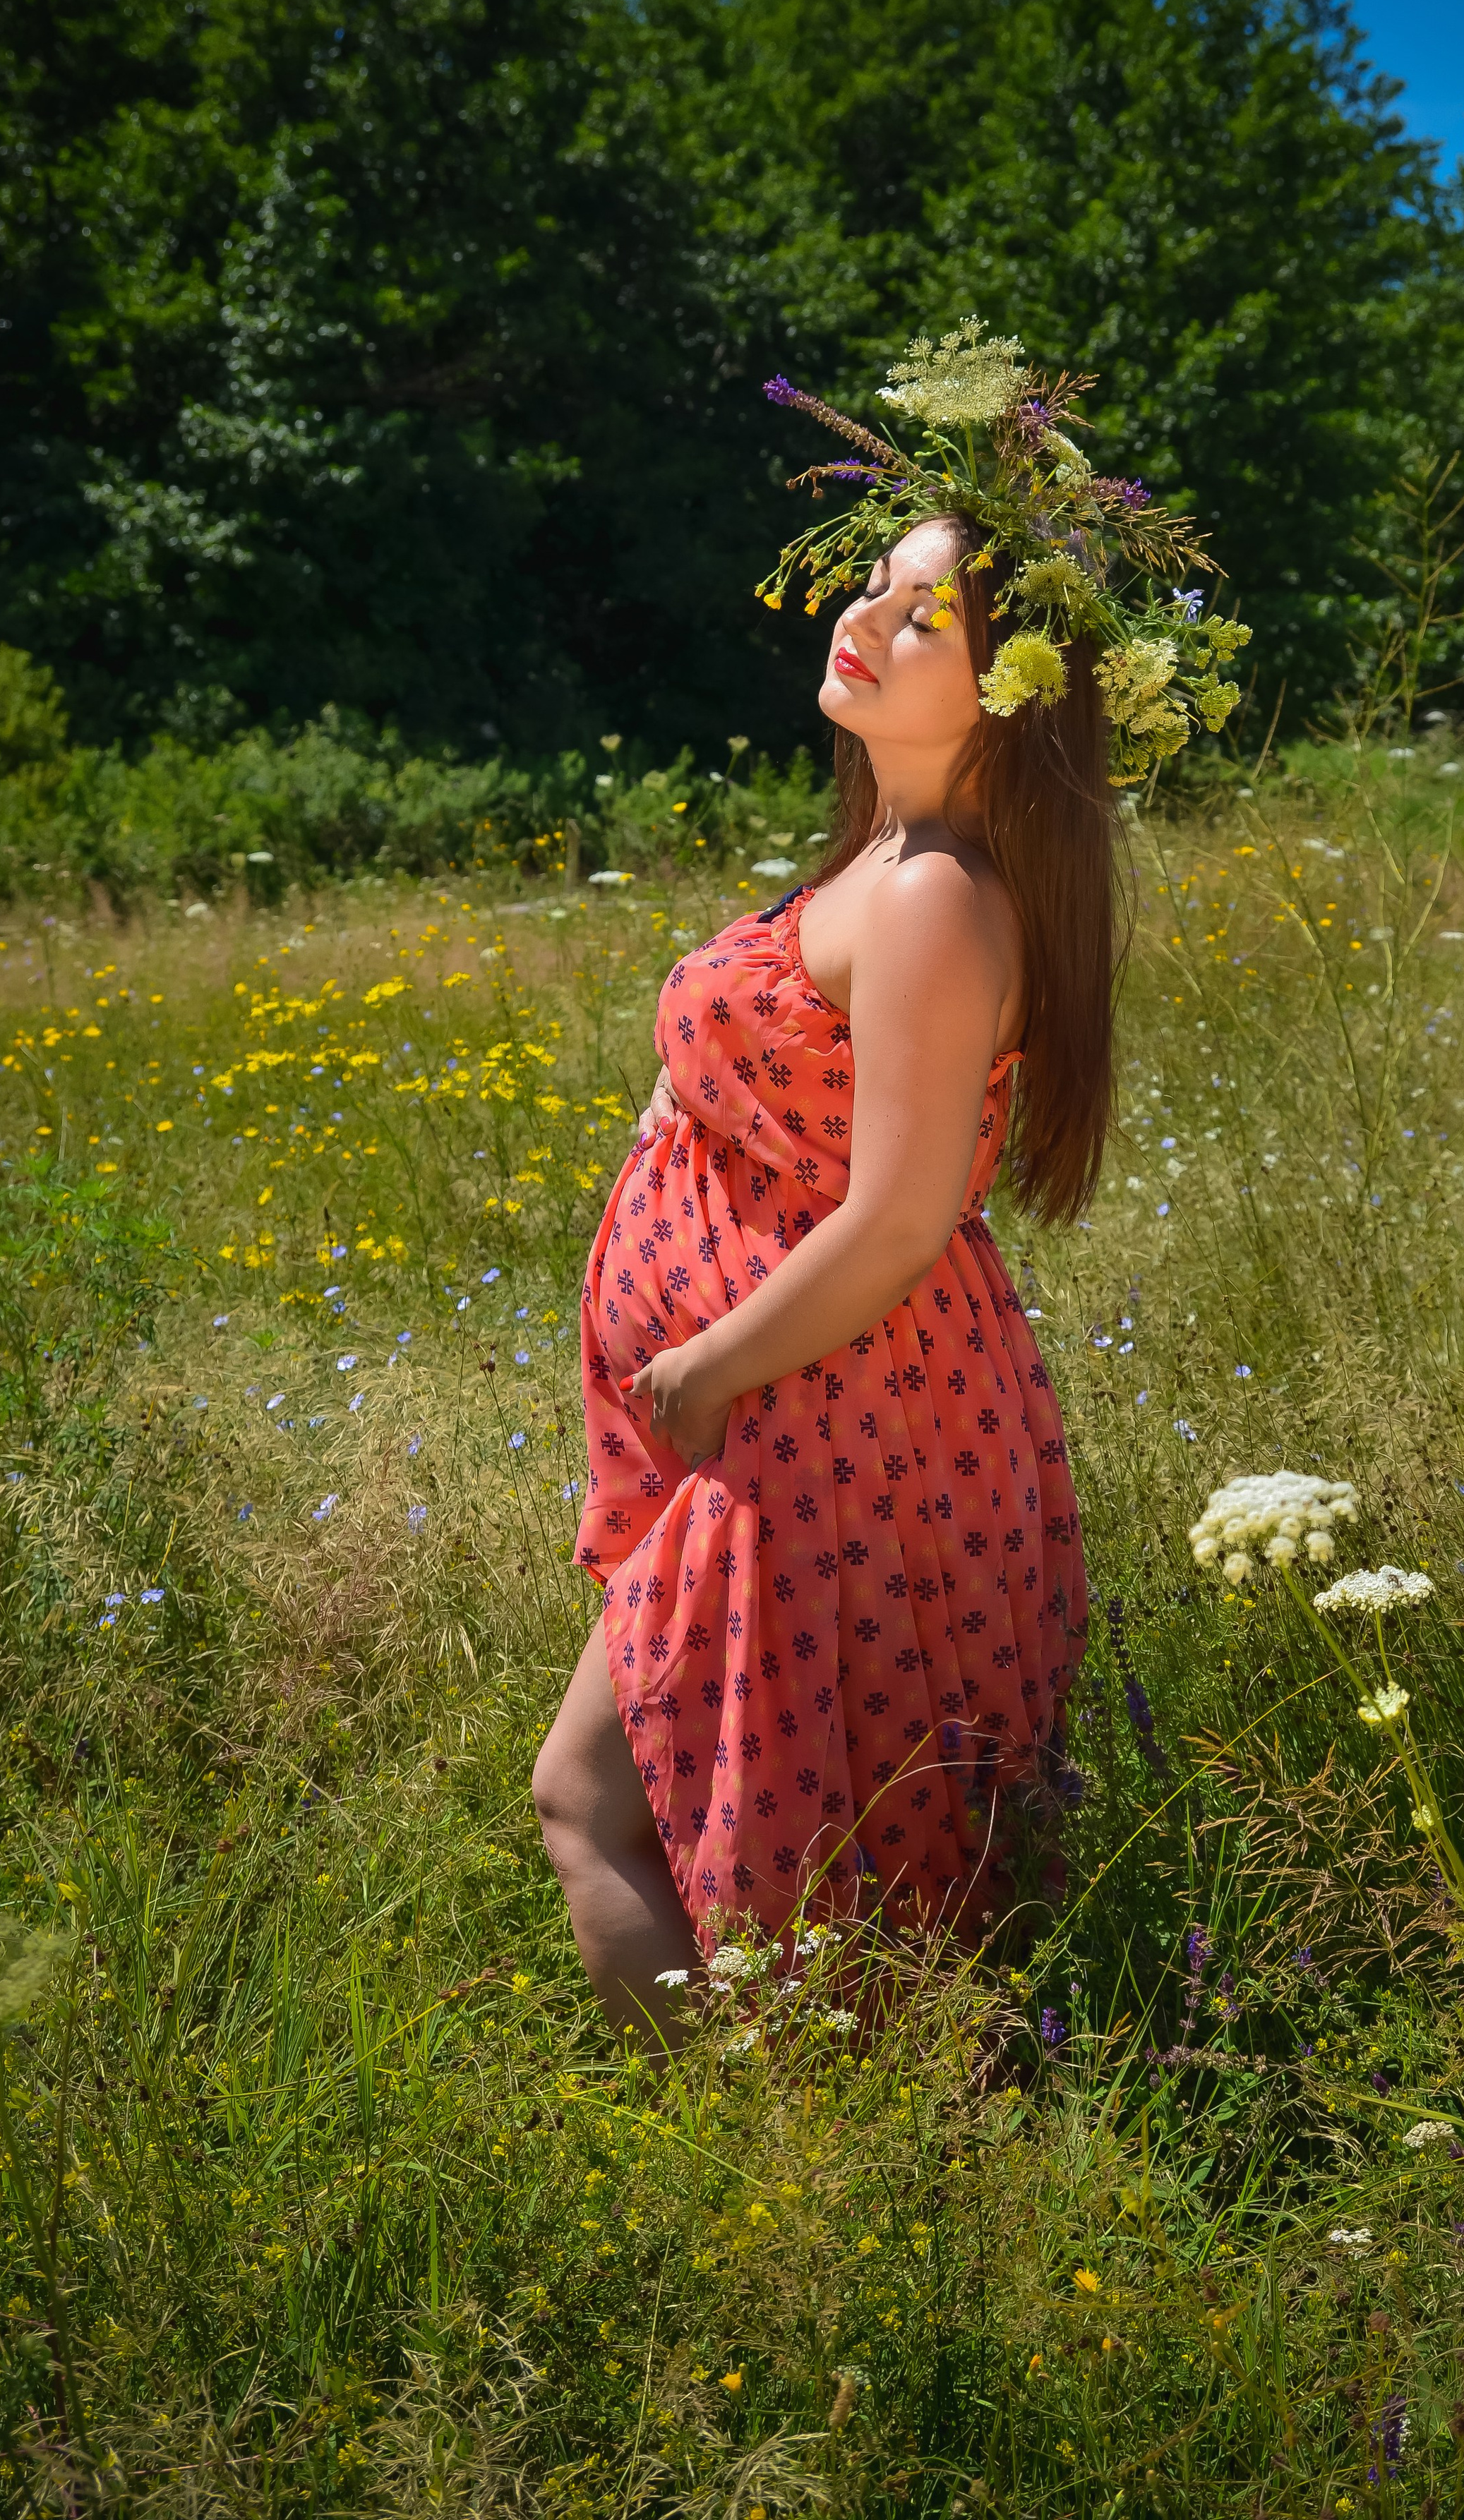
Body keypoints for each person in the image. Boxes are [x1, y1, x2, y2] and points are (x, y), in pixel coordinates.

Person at [532, 320, 1247, 2034]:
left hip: (825, 1419)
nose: (862, 617)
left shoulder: (936, 893)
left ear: (1014, 696)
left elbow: (902, 1215)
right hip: (815, 1412)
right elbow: (797, 1084)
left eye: (926, 616)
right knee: (827, 1868)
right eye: (873, 585)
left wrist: (700, 1364)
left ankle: (792, 2173)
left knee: (624, 1810)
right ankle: (856, 2168)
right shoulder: (887, 857)